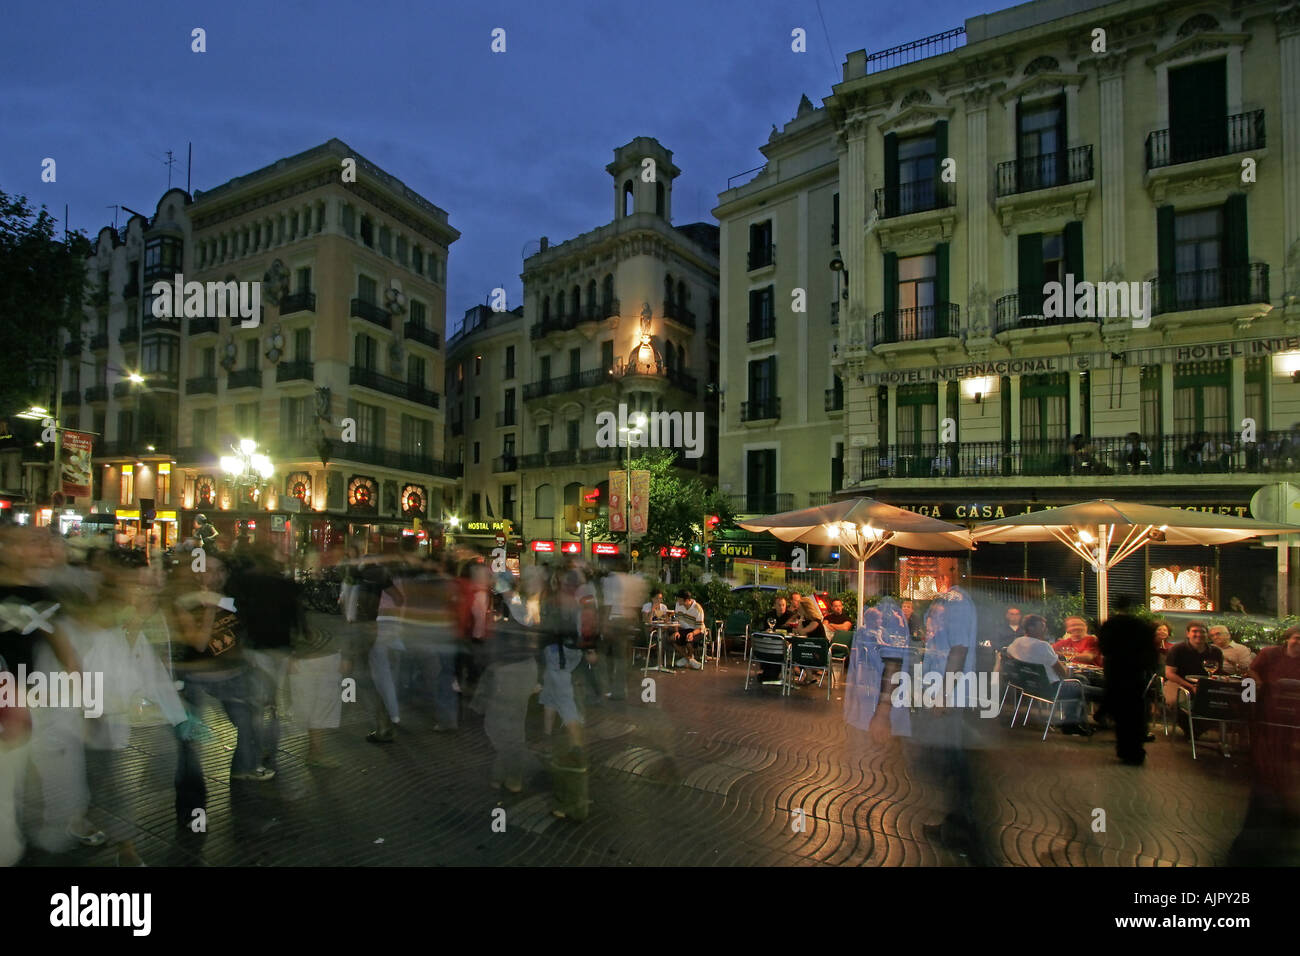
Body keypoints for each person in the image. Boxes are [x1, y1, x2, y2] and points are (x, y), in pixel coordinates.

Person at [1006, 614, 1099, 735]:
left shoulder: (1017, 642)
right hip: (1051, 689)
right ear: (1031, 628)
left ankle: (1073, 722)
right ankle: (1072, 724)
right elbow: (1063, 673)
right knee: (1095, 691)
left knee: (1081, 680)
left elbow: (1007, 654)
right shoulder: (1043, 646)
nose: (1046, 629)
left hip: (1029, 686)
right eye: (1042, 626)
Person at [1097, 595, 1158, 765]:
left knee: (1121, 715)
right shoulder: (1140, 626)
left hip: (1115, 673)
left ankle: (1123, 749)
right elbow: (1150, 652)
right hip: (1134, 674)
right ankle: (1135, 750)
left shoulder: (1109, 625)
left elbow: (1104, 649)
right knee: (1134, 713)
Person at [1164, 623, 1224, 729]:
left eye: (1202, 632)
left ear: (1207, 635)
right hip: (1178, 682)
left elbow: (1218, 672)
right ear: (1188, 634)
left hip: (1205, 684)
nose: (1199, 634)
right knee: (1175, 701)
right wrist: (1190, 686)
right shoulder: (1177, 649)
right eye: (1195, 631)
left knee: (1220, 702)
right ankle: (1189, 729)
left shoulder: (1216, 652)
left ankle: (1200, 728)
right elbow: (1169, 673)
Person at [672, 589, 706, 669]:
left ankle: (687, 658)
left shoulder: (698, 609)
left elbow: (699, 627)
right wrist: (676, 631)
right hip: (683, 629)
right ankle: (690, 659)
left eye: (680, 600)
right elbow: (676, 620)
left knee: (689, 641)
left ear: (687, 600)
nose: (678, 602)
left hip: (697, 630)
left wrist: (692, 634)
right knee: (673, 638)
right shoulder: (678, 605)